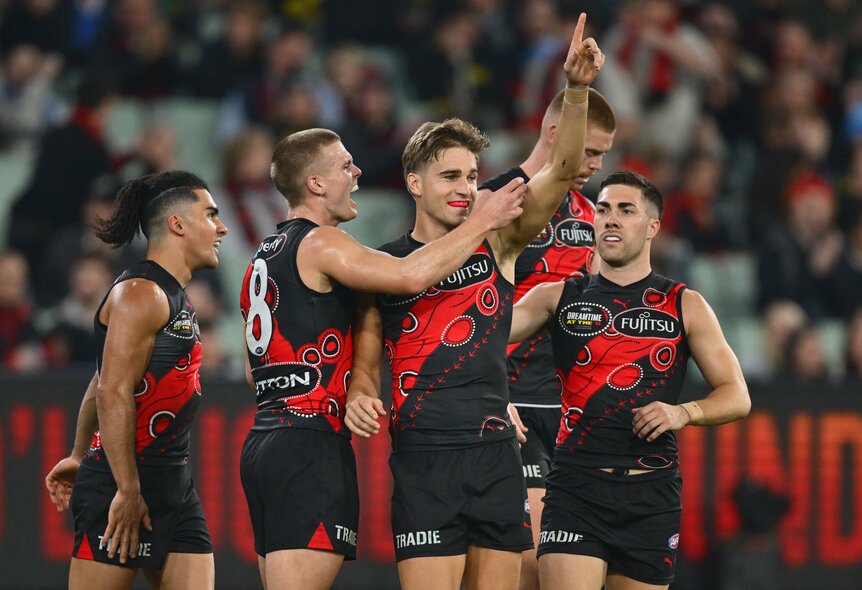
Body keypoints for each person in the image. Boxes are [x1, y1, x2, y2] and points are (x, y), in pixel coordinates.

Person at [346, 13, 605, 590]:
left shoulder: (502, 242)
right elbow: (364, 373)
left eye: (471, 175)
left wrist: (577, 91)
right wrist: (361, 398)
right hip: (423, 461)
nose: (466, 188)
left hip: (494, 456)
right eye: (450, 176)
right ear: (415, 182)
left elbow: (562, 171)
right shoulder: (381, 268)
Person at [238, 128, 528, 590]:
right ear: (315, 184)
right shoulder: (322, 244)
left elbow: (262, 369)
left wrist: (355, 388)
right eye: (345, 166)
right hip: (309, 446)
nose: (357, 173)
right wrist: (480, 223)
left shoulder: (265, 254)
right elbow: (408, 275)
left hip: (267, 441)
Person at [509, 170, 751, 590]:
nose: (611, 219)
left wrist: (684, 412)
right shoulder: (557, 295)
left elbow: (737, 396)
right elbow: (484, 334)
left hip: (651, 494)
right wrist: (496, 398)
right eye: (602, 210)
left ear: (653, 226)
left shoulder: (685, 304)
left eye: (626, 210)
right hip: (574, 489)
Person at [44, 171, 228, 589]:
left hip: (174, 485)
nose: (222, 227)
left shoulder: (174, 293)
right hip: (119, 484)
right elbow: (112, 391)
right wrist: (126, 489)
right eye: (211, 215)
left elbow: (101, 379)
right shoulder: (140, 294)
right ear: (178, 224)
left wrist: (75, 452)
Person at [478, 86, 616, 590]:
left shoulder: (588, 215)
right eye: (591, 150)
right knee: (532, 562)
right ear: (560, 135)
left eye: (604, 153)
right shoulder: (493, 201)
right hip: (508, 400)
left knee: (570, 566)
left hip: (566, 407)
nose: (598, 164)